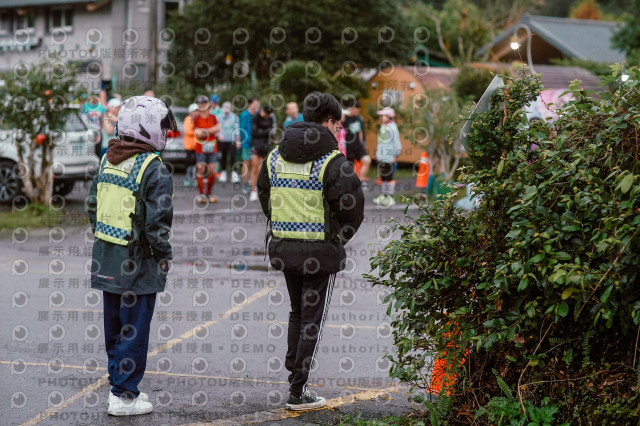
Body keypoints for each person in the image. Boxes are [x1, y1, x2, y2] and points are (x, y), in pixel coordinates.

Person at [257, 91, 364, 411]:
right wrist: (336, 239)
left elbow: (265, 195)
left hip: (285, 246)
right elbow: (353, 209)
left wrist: (285, 225)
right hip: (320, 252)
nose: (339, 130)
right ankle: (298, 389)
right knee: (311, 320)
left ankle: (294, 376)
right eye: (338, 125)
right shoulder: (333, 162)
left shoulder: (274, 157)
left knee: (297, 313)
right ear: (328, 122)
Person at [87, 95, 175, 416]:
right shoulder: (153, 168)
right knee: (134, 330)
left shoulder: (107, 159)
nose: (166, 133)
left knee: (115, 327)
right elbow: (156, 225)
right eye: (163, 127)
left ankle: (118, 386)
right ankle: (124, 396)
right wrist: (163, 257)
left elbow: (92, 206)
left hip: (106, 257)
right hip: (138, 263)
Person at [193, 95, 221, 204]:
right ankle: (201, 194)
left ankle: (209, 192)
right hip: (200, 148)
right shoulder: (196, 118)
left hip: (212, 148)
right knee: (201, 170)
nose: (203, 105)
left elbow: (218, 128)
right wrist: (211, 130)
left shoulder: (213, 117)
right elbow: (198, 134)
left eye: (204, 103)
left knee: (212, 171)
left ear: (208, 104)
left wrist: (205, 131)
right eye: (201, 103)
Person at [373, 107, 402, 207]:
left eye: (384, 116)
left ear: (390, 117)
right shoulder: (383, 127)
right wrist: (378, 155)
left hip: (389, 157)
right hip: (382, 156)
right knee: (383, 176)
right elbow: (381, 143)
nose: (381, 118)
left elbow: (396, 142)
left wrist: (396, 155)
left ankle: (390, 197)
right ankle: (384, 196)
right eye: (381, 116)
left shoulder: (393, 128)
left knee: (389, 177)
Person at [250, 104, 275, 202]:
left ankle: (259, 189)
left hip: (265, 145)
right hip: (256, 144)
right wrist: (265, 131)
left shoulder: (270, 118)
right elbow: (254, 132)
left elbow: (271, 132)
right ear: (262, 111)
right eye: (266, 114)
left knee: (261, 169)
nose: (267, 116)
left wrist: (262, 131)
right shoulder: (255, 117)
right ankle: (253, 190)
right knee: (254, 166)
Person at [343, 100, 371, 185]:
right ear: (350, 108)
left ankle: (361, 180)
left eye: (358, 110)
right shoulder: (344, 118)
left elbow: (361, 131)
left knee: (367, 160)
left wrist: (362, 143)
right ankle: (349, 184)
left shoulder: (358, 118)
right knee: (349, 169)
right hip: (348, 147)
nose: (356, 112)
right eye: (355, 110)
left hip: (358, 146)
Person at [215, 101, 241, 183]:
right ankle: (223, 172)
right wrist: (219, 134)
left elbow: (237, 129)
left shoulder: (235, 117)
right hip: (222, 140)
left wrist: (238, 141)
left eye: (228, 107)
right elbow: (217, 127)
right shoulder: (218, 116)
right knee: (223, 156)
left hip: (232, 140)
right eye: (225, 107)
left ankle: (234, 173)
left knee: (233, 156)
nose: (226, 109)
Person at [239, 97, 260, 194]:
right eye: (255, 104)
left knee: (256, 164)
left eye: (258, 104)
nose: (257, 106)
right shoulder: (244, 115)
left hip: (257, 144)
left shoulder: (259, 114)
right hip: (247, 144)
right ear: (250, 104)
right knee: (246, 163)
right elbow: (242, 130)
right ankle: (246, 184)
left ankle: (254, 183)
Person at [81, 92, 107, 157]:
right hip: (88, 130)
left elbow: (104, 120)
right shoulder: (85, 106)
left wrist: (100, 131)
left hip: (98, 131)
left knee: (98, 149)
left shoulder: (102, 107)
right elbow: (82, 119)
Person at [183, 103, 198, 187]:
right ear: (190, 112)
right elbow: (188, 132)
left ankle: (194, 178)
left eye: (196, 111)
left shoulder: (199, 119)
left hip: (197, 145)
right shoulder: (188, 119)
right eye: (194, 111)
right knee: (188, 162)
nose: (195, 113)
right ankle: (187, 178)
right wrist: (196, 130)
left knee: (195, 162)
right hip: (188, 146)